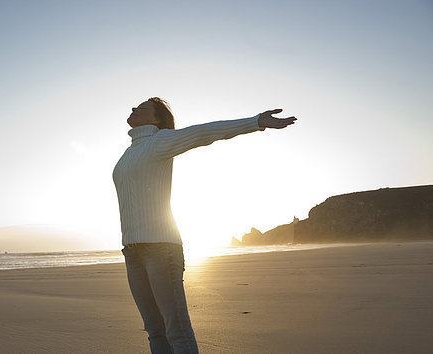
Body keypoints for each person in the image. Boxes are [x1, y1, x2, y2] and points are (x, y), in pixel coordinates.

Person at [112, 97, 296, 353]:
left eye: (141, 108)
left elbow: (204, 132)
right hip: (132, 251)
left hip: (160, 249)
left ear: (155, 119)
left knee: (176, 330)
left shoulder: (159, 141)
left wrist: (255, 122)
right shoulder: (129, 151)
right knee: (154, 329)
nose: (133, 108)